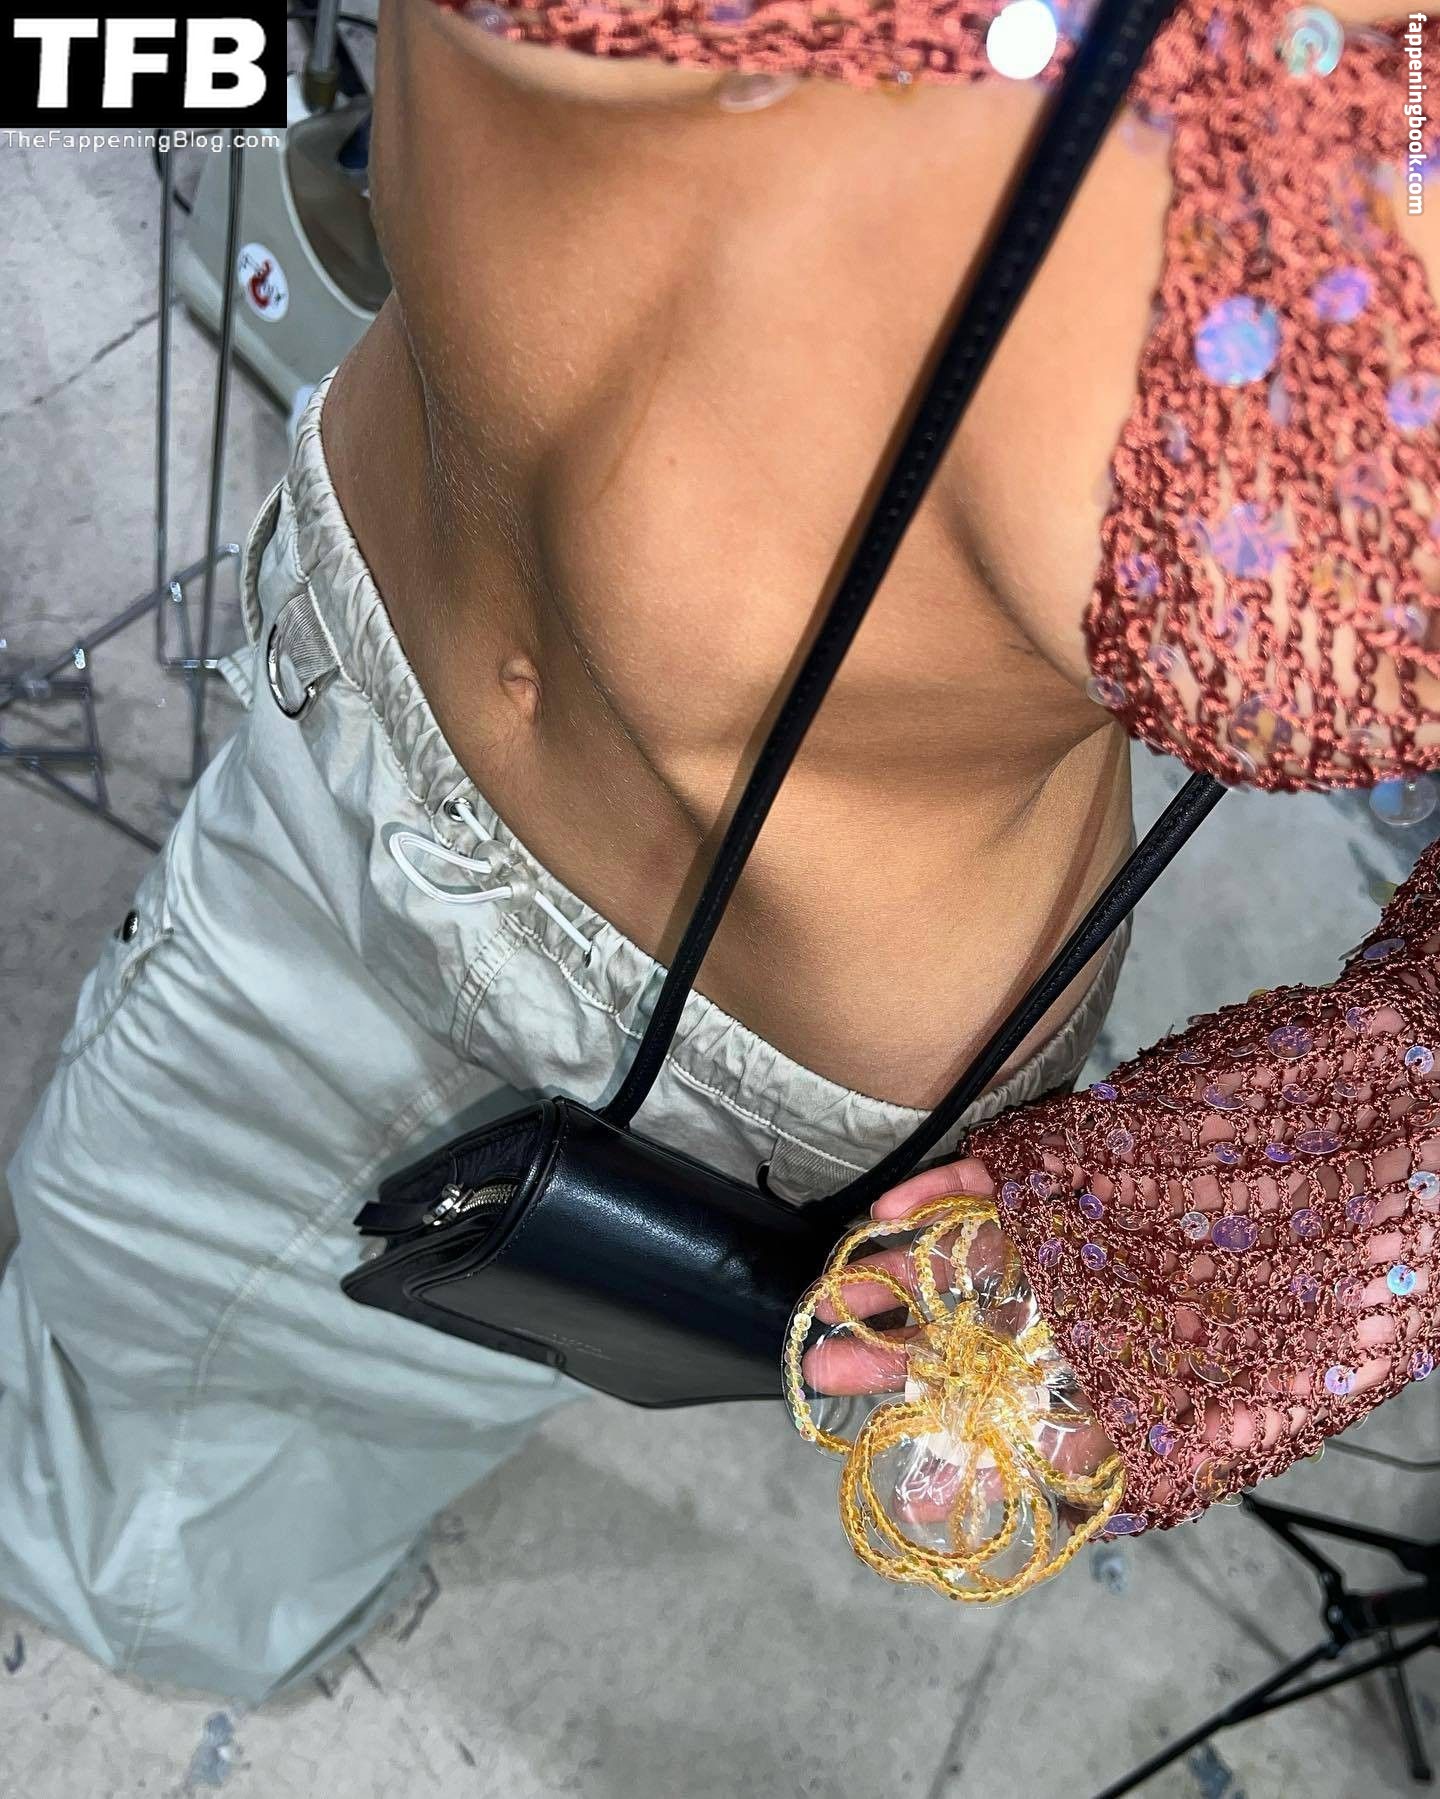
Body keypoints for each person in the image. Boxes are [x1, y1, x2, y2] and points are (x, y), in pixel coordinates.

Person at [0, 0, 1437, 1698]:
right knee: (142, 1284)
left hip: (753, 1063)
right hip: (363, 648)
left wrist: (1293, 1194)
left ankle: (167, 1610)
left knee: (227, 1391)